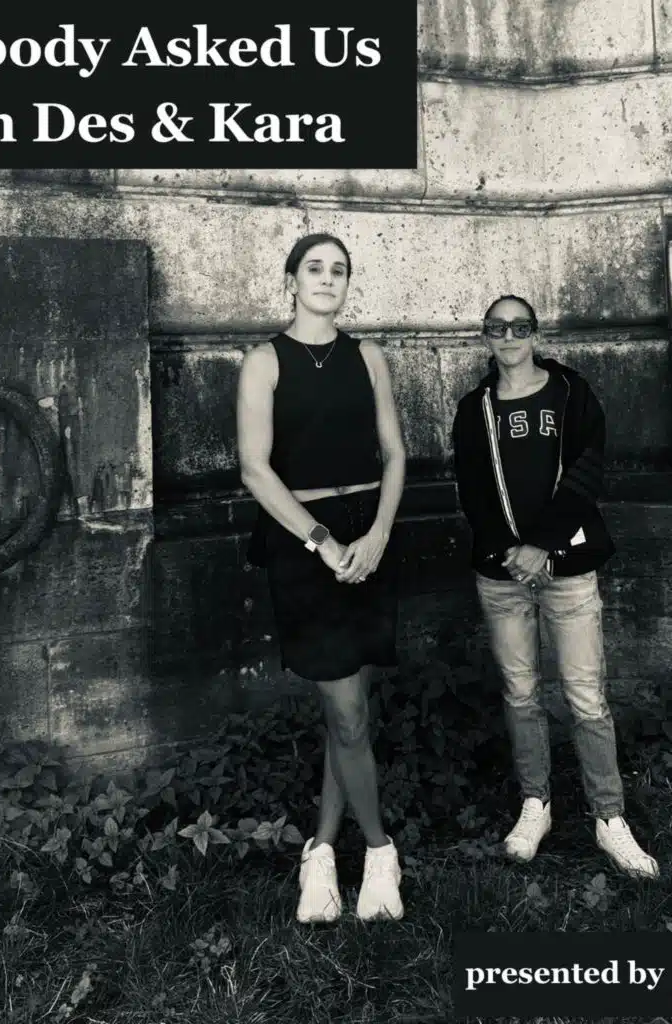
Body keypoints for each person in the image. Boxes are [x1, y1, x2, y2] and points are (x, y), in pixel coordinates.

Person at [451, 294, 659, 879]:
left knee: (585, 695)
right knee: (520, 692)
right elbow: (472, 489)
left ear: (535, 334)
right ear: (485, 337)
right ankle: (535, 805)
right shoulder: (475, 409)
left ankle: (609, 818)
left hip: (567, 568)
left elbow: (587, 471)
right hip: (503, 575)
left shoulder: (571, 394)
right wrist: (512, 553)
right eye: (497, 328)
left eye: (519, 327)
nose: (508, 337)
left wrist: (542, 544)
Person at [237, 233, 407, 923]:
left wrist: (378, 535)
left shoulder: (369, 357)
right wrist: (322, 541)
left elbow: (394, 455)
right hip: (304, 540)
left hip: (369, 537)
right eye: (315, 268)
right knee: (347, 713)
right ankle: (381, 851)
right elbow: (254, 469)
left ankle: (321, 851)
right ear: (291, 280)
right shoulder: (263, 362)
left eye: (339, 270)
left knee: (352, 710)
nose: (327, 279)